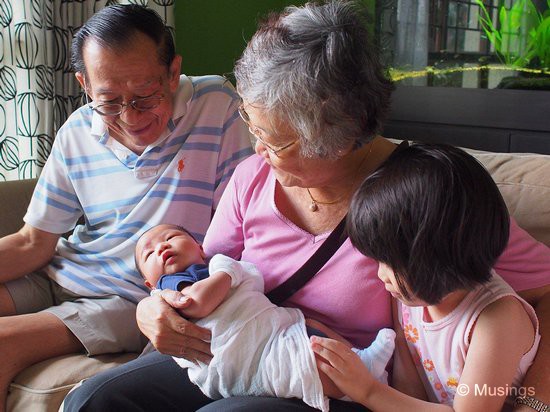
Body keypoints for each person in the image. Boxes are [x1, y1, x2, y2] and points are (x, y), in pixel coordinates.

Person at [64, 1, 550, 411]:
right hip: (232, 344)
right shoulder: (253, 178)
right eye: (252, 128)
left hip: (330, 379)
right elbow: (203, 268)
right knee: (97, 401)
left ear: (341, 133)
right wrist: (154, 308)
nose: (257, 152)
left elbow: (540, 294)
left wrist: (534, 402)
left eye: (274, 141)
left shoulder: (423, 195)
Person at [0, 4, 252, 410]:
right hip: (59, 272)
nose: (130, 116)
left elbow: (240, 235)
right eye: (110, 101)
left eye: (144, 97)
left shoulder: (218, 107)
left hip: (129, 299)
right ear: (85, 84)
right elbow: (33, 242)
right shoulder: (79, 130)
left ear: (173, 72)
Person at [311, 143, 541, 411]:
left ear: (437, 259)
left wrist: (369, 391)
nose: (380, 275)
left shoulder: (496, 321)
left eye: (391, 263)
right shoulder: (411, 299)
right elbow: (410, 388)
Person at [134, 223, 395, 411]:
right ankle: (363, 379)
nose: (162, 247)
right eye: (149, 253)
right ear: (149, 284)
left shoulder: (209, 266)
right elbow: (197, 303)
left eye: (172, 236)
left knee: (311, 332)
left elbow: (249, 283)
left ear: (201, 247)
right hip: (243, 360)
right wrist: (227, 273)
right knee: (300, 366)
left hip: (268, 332)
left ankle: (363, 363)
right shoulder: (174, 283)